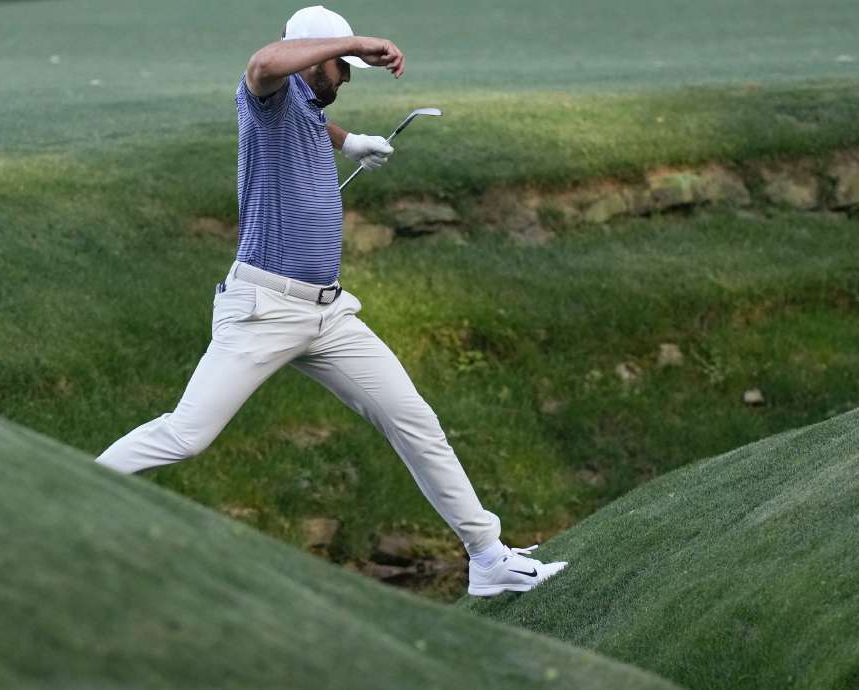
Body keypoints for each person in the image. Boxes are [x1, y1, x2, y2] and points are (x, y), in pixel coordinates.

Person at [95, 5, 567, 597]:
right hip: (262, 310)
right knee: (186, 435)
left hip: (328, 315)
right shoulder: (267, 95)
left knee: (414, 419)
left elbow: (311, 122)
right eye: (340, 67)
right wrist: (357, 41)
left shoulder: (304, 110)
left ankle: (487, 556)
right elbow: (263, 63)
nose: (345, 77)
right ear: (316, 59)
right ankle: (62, 490)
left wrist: (350, 144)